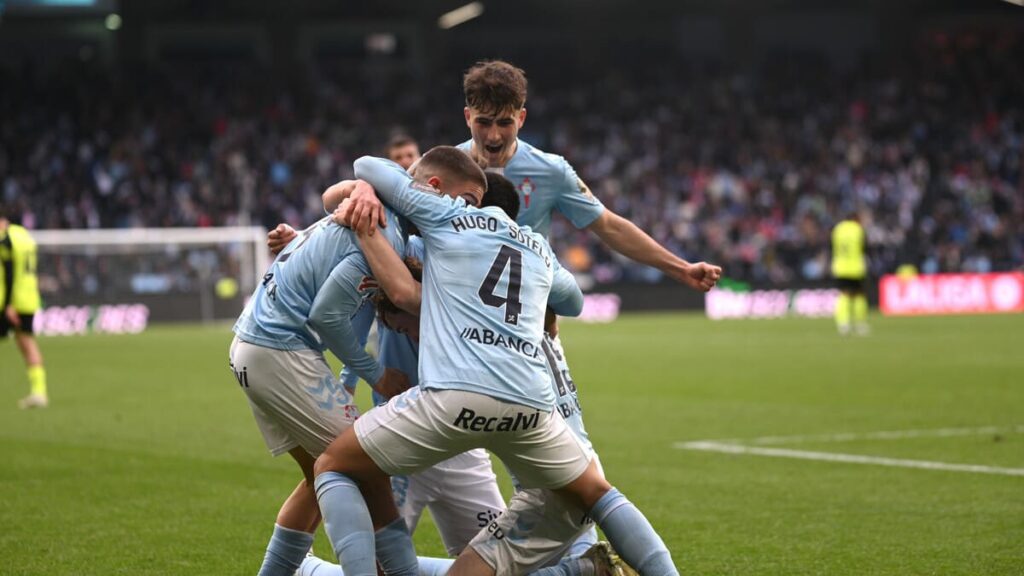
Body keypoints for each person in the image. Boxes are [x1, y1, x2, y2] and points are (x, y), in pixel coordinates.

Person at [312, 150, 679, 576]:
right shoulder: (537, 245)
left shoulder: (448, 217)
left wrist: (363, 189)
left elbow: (367, 166)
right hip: (531, 405)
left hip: (454, 397)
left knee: (332, 464)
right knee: (600, 492)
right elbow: (573, 300)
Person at [231, 188, 416, 574]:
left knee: (321, 476)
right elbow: (327, 316)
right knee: (367, 468)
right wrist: (376, 374)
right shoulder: (384, 234)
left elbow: (331, 258)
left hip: (250, 345)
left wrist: (298, 238)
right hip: (281, 349)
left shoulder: (366, 214)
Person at [0, 203, 48, 409]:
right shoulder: (27, 238)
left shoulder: (6, 240)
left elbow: (9, 274)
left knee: (25, 342)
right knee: (27, 342)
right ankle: (40, 392)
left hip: (10, 301)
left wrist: (8, 304)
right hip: (29, 299)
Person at [830, 212, 869, 335]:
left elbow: (832, 247)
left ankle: (843, 323)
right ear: (855, 219)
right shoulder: (858, 229)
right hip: (856, 267)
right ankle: (860, 323)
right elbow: (865, 247)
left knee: (843, 294)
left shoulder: (837, 229)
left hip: (840, 267)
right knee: (859, 295)